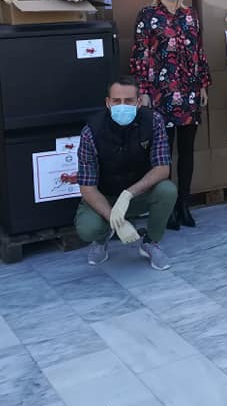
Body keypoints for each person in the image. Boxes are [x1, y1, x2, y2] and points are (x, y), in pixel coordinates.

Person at [130, 0, 211, 229]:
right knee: (163, 154)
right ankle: (167, 207)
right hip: (160, 93)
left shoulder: (190, 15)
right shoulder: (148, 15)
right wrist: (142, 91)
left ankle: (184, 205)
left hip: (189, 93)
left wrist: (202, 85)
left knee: (187, 151)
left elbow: (199, 51)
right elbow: (140, 55)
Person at [74, 76, 178, 270]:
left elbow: (163, 168)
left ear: (138, 102)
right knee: (88, 229)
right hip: (105, 196)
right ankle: (102, 237)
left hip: (139, 195)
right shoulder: (91, 131)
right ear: (108, 103)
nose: (122, 106)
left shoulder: (153, 121)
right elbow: (87, 187)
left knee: (167, 190)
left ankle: (151, 241)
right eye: (117, 101)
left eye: (129, 101)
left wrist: (128, 194)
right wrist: (116, 221)